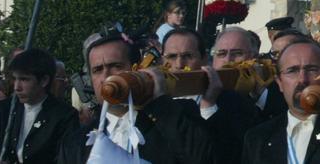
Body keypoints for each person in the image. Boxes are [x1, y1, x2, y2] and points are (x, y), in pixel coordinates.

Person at [57, 27, 216, 163]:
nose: (106, 77)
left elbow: (202, 157)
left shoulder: (176, 114)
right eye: (97, 70)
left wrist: (160, 103)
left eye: (116, 66)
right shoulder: (75, 142)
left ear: (137, 69)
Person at [163, 26, 261, 163]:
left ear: (204, 59)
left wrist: (208, 106)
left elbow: (225, 155)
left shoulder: (235, 102)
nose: (179, 64)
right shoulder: (155, 102)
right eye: (172, 57)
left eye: (188, 56)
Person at [0, 48, 78, 164]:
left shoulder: (64, 116)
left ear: (44, 80)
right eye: (15, 79)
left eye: (24, 79)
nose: (16, 87)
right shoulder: (5, 109)